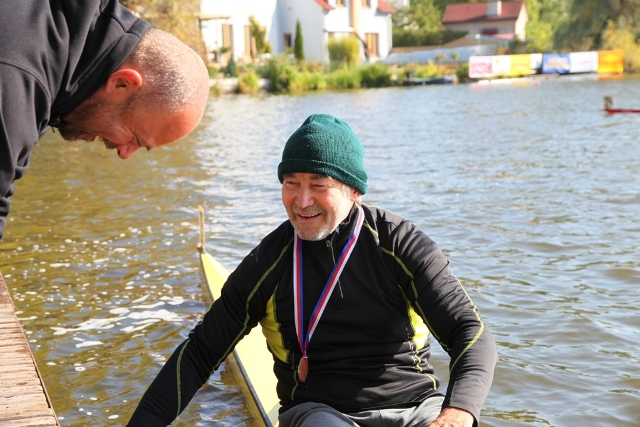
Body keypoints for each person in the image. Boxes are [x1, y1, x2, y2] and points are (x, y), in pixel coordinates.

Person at [127, 114, 498, 427]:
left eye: (318, 185)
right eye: (291, 183)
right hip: (320, 413)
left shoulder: (399, 244)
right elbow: (199, 353)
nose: (301, 201)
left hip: (416, 409)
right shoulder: (268, 262)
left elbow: (470, 332)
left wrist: (458, 412)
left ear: (354, 191)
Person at [0, 0, 211, 240]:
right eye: (135, 138)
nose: (124, 154)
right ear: (122, 83)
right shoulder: (16, 79)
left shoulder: (59, 49)